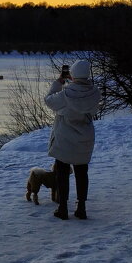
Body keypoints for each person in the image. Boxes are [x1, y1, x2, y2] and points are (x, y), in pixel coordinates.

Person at [44, 60, 101, 220]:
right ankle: (81, 208)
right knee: (82, 172)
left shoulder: (66, 94)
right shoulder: (95, 93)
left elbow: (48, 100)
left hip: (65, 138)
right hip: (85, 138)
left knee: (62, 172)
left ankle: (62, 208)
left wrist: (60, 81)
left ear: (73, 74)